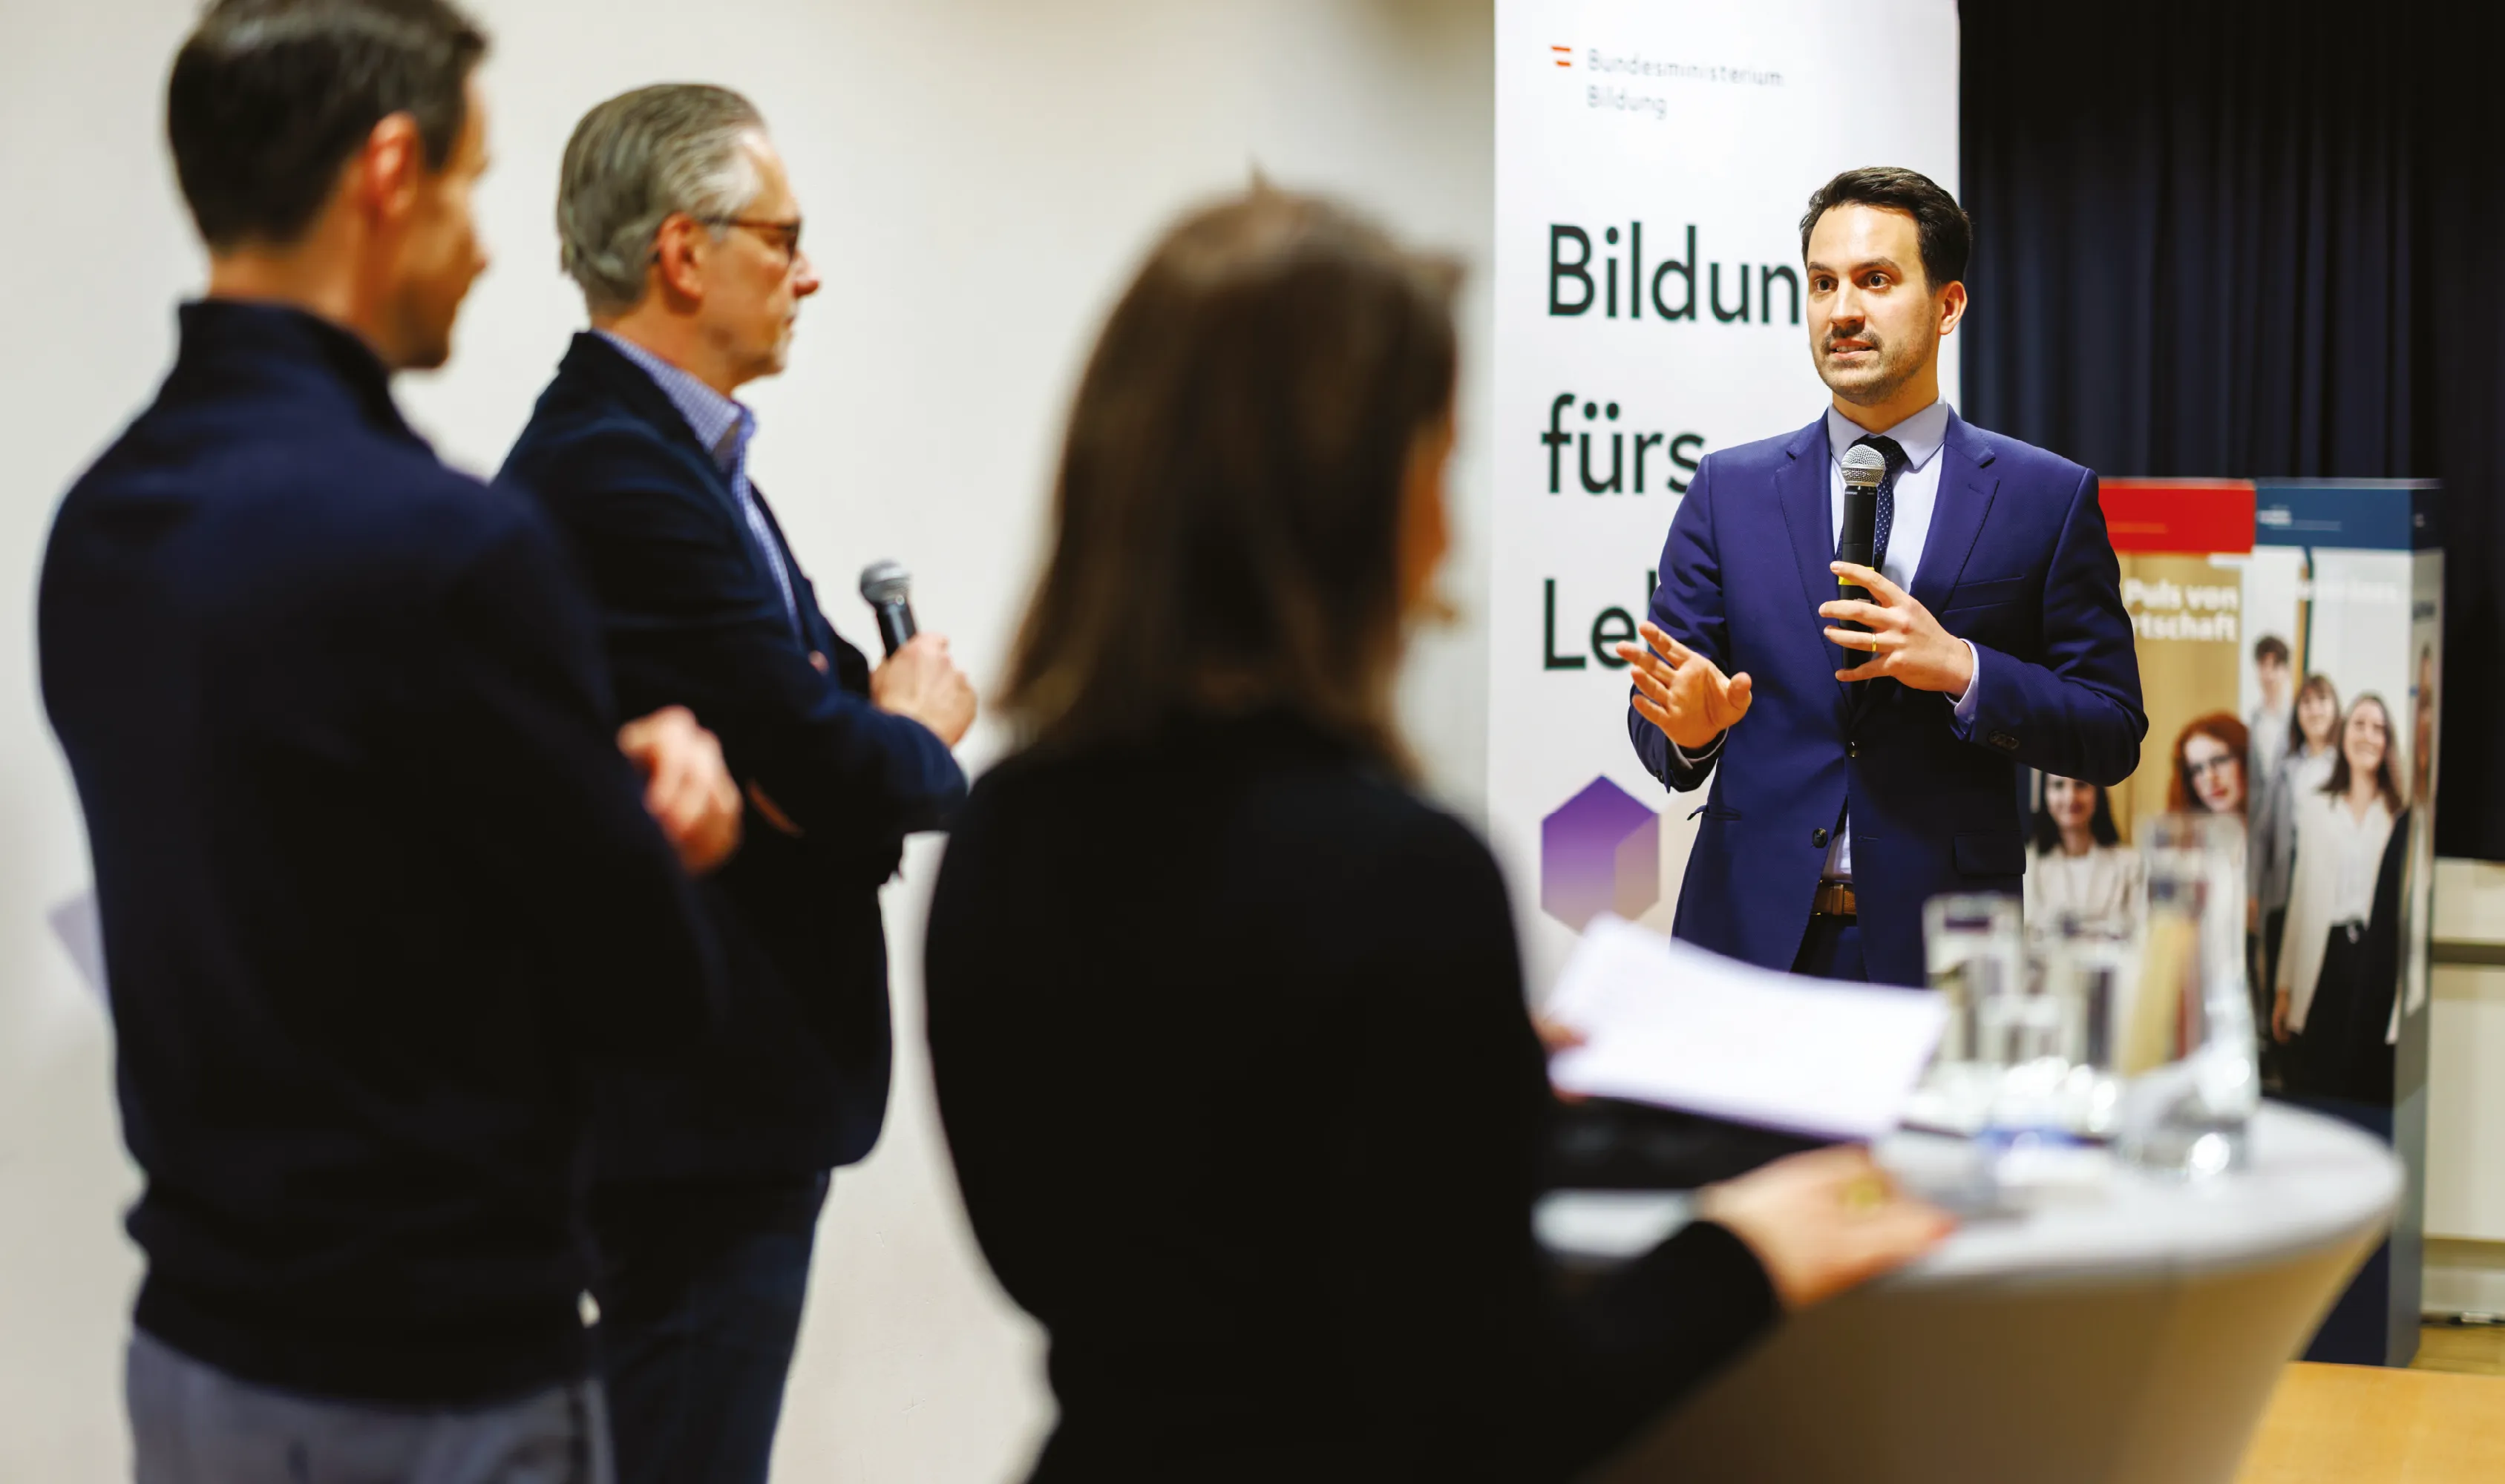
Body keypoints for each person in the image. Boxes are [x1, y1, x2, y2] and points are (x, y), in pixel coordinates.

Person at [923, 188, 1951, 1482]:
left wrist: (1442, 1071)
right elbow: (1498, 1413)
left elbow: (1187, 1194)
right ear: (1355, 504)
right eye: (1438, 466)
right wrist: (1749, 1253)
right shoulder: (1396, 882)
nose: (1450, 533)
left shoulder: (999, 837)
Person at [36, 3, 745, 1477]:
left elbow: (303, 849)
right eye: (475, 186)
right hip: (442, 1382)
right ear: (387, 171)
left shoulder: (98, 530)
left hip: (196, 1360)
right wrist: (668, 825)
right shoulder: (457, 550)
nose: (486, 245)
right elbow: (650, 1000)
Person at [499, 85, 974, 1484]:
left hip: (715, 1101)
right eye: (786, 238)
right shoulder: (617, 474)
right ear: (685, 254)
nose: (809, 272)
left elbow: (811, 736)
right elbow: (839, 752)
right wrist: (913, 739)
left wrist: (836, 765)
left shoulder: (691, 468)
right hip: (693, 1112)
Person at [1618, 167, 2145, 985]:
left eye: (1875, 280)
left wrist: (1965, 669)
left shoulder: (2045, 496)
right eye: (1822, 284)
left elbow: (2112, 728)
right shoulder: (1730, 490)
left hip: (1945, 955)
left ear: (1949, 305)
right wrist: (1693, 730)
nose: (1843, 311)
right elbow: (1660, 719)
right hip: (1747, 942)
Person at [2273, 695, 2404, 1100]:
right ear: (2344, 735)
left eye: (2378, 728)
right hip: (2325, 956)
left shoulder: (2402, 815)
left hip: (2377, 959)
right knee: (2318, 1077)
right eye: (2359, 724)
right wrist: (2284, 988)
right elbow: (2300, 901)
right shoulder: (2318, 808)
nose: (2368, 735)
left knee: (2365, 1077)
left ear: (2388, 743)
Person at [2256, 673, 2340, 991]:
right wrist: (2254, 892)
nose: (2314, 710)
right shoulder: (2287, 768)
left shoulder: (2345, 767)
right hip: (2282, 890)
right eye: (2306, 702)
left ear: (2335, 708)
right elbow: (2264, 833)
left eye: (2322, 700)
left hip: (2327, 892)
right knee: (2279, 981)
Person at [2023, 775, 2141, 937]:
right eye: (2058, 786)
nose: (2070, 797)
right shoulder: (2028, 866)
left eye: (2081, 785)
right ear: (2045, 794)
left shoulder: (2132, 865)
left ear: (2098, 792)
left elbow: (2141, 934)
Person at [2247, 635, 2293, 829]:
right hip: (2257, 822)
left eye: (2275, 666)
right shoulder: (2252, 720)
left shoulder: (2296, 720)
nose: (2269, 674)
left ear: (2286, 671)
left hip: (2289, 820)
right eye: (2263, 666)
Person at [2167, 712, 2250, 817]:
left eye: (2220, 761)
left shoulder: (2274, 826)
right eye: (2196, 770)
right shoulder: (2174, 831)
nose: (2209, 777)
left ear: (2245, 759)